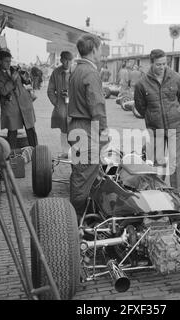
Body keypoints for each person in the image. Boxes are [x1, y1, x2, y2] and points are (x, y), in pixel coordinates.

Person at [134, 49, 180, 196]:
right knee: (158, 161)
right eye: (158, 64)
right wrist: (152, 117)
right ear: (151, 63)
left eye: (164, 63)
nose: (162, 67)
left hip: (175, 126)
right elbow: (140, 106)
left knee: (174, 161)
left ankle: (176, 192)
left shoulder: (176, 78)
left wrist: (174, 113)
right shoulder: (142, 84)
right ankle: (159, 191)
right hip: (155, 128)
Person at [68, 34, 108, 219]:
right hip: (86, 127)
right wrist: (104, 130)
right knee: (83, 176)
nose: (100, 52)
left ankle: (79, 215)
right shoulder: (90, 72)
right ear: (94, 50)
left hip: (76, 125)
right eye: (99, 48)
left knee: (80, 171)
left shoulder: (76, 69)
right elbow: (97, 105)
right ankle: (75, 220)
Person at [0, 51, 38, 150]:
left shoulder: (14, 69)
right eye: (6, 61)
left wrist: (24, 75)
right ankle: (12, 155)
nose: (9, 63)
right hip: (11, 107)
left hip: (24, 104)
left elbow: (26, 82)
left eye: (10, 61)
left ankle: (36, 152)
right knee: (12, 132)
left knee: (30, 129)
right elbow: (3, 91)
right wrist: (12, 80)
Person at [47, 51, 74, 158]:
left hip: (74, 105)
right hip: (62, 106)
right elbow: (50, 90)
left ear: (72, 61)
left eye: (69, 60)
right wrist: (57, 103)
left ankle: (75, 152)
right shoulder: (56, 73)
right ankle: (65, 152)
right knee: (63, 129)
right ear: (61, 60)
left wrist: (71, 94)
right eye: (65, 60)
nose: (67, 63)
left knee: (75, 128)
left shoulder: (76, 72)